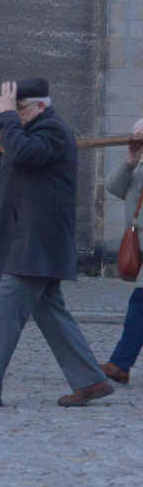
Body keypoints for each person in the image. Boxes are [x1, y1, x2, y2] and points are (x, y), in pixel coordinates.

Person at [0, 79, 113, 408]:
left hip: (35, 243)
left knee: (3, 312)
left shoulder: (53, 131)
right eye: (14, 110)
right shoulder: (34, 136)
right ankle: (91, 381)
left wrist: (6, 117)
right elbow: (15, 171)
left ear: (40, 106)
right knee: (51, 313)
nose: (16, 116)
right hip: (32, 243)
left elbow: (22, 155)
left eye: (20, 110)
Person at [99, 118, 143, 385]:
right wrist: (130, 161)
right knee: (139, 304)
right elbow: (114, 188)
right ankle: (120, 364)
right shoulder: (136, 167)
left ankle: (119, 364)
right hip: (139, 244)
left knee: (138, 304)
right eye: (136, 133)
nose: (137, 137)